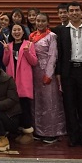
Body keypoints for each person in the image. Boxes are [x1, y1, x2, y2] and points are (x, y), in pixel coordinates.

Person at [55, 1, 82, 148]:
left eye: (77, 10)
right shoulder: (60, 31)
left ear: (81, 12)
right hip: (68, 72)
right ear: (68, 13)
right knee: (69, 105)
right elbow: (59, 54)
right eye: (71, 11)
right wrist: (58, 73)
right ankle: (72, 136)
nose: (74, 13)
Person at [30, 12, 66, 144]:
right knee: (36, 102)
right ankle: (38, 130)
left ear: (47, 22)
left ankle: (51, 132)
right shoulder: (32, 36)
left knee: (49, 101)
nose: (40, 23)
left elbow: (53, 56)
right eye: (38, 21)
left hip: (46, 71)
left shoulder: (52, 36)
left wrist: (49, 74)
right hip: (34, 72)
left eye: (43, 21)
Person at [1, 23, 37, 144]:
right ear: (11, 32)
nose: (16, 32)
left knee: (25, 106)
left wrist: (27, 52)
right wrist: (6, 51)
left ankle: (28, 132)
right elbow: (5, 62)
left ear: (23, 32)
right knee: (14, 107)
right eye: (14, 30)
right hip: (12, 81)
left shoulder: (29, 44)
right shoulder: (9, 45)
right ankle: (18, 131)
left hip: (24, 80)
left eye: (19, 30)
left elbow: (34, 62)